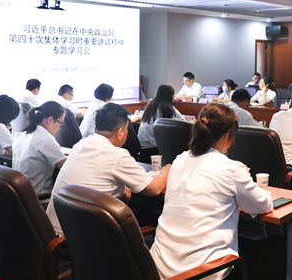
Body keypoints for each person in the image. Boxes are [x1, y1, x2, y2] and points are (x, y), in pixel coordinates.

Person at [150, 103, 272, 280]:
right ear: (227, 136)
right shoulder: (231, 168)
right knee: (244, 263)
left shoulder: (179, 159)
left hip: (159, 271)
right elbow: (262, 205)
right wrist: (246, 180)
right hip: (202, 276)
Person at [46, 103, 170, 235]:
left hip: (54, 234)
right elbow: (154, 189)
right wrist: (168, 168)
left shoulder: (80, 145)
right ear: (120, 132)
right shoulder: (116, 155)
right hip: (79, 240)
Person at [12, 101, 67, 195]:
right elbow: (65, 167)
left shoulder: (23, 135)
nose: (60, 128)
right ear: (50, 119)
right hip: (39, 197)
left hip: (20, 195)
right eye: (60, 124)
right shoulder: (45, 138)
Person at [138, 84, 183, 150]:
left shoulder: (150, 104)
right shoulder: (169, 109)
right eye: (173, 95)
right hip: (155, 148)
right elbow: (183, 122)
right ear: (170, 96)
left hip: (142, 146)